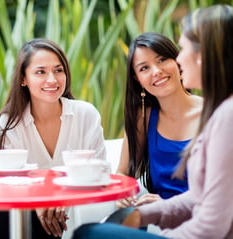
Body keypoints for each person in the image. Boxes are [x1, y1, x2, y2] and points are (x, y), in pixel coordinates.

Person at [72, 4, 233, 239]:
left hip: (193, 231)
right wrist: (145, 213)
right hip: (177, 221)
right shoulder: (148, 118)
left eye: (182, 49)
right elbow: (202, 196)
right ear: (137, 79)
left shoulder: (224, 115)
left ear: (202, 56)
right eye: (144, 68)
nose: (179, 58)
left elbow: (210, 223)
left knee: (89, 234)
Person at [0, 38, 106, 239]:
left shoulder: (86, 115)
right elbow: (11, 183)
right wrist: (39, 203)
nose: (52, 79)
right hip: (28, 218)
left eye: (58, 70)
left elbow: (101, 173)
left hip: (78, 216)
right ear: (23, 79)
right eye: (41, 72)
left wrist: (58, 201)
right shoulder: (10, 123)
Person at [109, 32, 202, 220]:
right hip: (159, 220)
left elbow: (222, 191)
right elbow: (124, 172)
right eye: (144, 68)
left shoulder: (213, 111)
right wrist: (121, 194)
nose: (156, 71)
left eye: (162, 59)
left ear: (178, 61)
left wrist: (168, 206)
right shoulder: (144, 117)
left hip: (200, 217)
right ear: (137, 79)